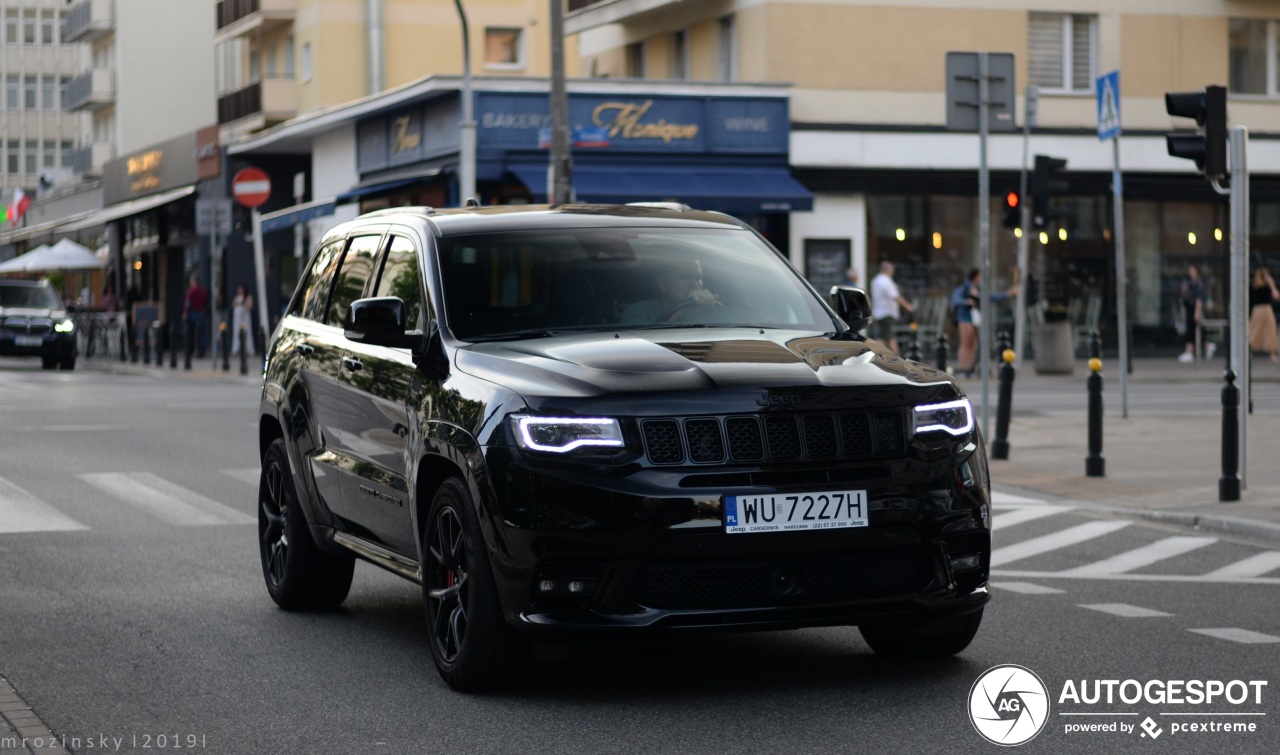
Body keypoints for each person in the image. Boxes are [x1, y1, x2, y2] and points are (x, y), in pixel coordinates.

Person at [619, 259, 718, 324]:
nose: (695, 285)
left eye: (698, 278)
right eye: (685, 277)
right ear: (662, 284)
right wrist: (685, 308)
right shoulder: (636, 313)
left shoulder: (714, 311)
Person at [869, 261, 914, 353]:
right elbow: (895, 296)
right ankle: (876, 354)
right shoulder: (886, 281)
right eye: (891, 270)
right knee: (884, 337)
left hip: (879, 312)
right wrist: (907, 306)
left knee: (888, 337)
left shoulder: (875, 281)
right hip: (887, 312)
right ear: (886, 270)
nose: (893, 272)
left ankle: (895, 357)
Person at [951, 269, 981, 377]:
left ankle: (970, 367)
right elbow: (956, 299)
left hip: (973, 318)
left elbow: (987, 297)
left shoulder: (976, 288)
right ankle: (963, 367)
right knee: (965, 343)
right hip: (964, 318)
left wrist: (1005, 295)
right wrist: (966, 302)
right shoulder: (965, 287)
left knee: (972, 344)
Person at [1249, 267, 1280, 363]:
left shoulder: (1257, 286)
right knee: (1255, 331)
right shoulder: (1257, 286)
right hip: (1261, 310)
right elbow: (1276, 296)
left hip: (1264, 309)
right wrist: (1271, 283)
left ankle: (1272, 353)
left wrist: (1271, 284)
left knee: (1270, 331)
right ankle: (1250, 350)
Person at [1179, 264, 1205, 363]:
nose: (1190, 272)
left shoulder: (1198, 283)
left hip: (1193, 309)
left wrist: (1197, 312)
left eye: (1192, 270)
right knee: (1191, 330)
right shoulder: (1190, 283)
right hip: (1189, 308)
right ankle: (1207, 346)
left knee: (1192, 330)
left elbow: (1199, 299)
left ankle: (1189, 352)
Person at [183, 274, 209, 358]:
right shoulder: (203, 291)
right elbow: (206, 302)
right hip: (201, 313)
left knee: (191, 333)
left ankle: (191, 350)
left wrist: (185, 312)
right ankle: (202, 351)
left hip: (193, 313)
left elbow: (188, 303)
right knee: (202, 333)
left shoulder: (191, 292)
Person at [231, 284, 255, 357]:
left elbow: (250, 306)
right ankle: (236, 349)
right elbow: (233, 304)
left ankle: (249, 349)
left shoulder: (248, 297)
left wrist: (244, 303)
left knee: (247, 331)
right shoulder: (237, 297)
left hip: (245, 317)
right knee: (237, 332)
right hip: (237, 318)